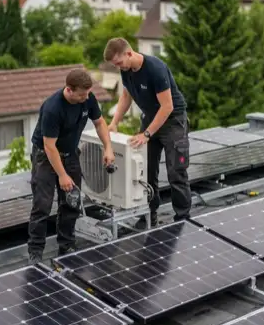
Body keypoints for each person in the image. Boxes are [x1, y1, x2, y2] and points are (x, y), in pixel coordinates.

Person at [27, 69, 115, 265]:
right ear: (69, 90)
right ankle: (35, 251)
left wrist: (108, 148)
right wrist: (62, 175)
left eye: (87, 94)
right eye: (82, 95)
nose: (86, 98)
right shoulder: (53, 108)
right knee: (43, 204)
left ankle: (66, 243)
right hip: (46, 156)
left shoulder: (88, 99)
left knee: (71, 201)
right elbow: (49, 146)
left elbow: (100, 123)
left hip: (70, 153)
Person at [103, 37, 191, 229]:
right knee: (144, 170)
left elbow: (167, 107)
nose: (118, 66)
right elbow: (126, 96)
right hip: (150, 120)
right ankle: (149, 214)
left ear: (129, 53)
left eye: (119, 62)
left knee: (176, 171)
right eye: (115, 64)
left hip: (172, 121)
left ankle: (183, 218)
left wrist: (147, 134)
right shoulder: (126, 71)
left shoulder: (155, 69)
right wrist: (114, 122)